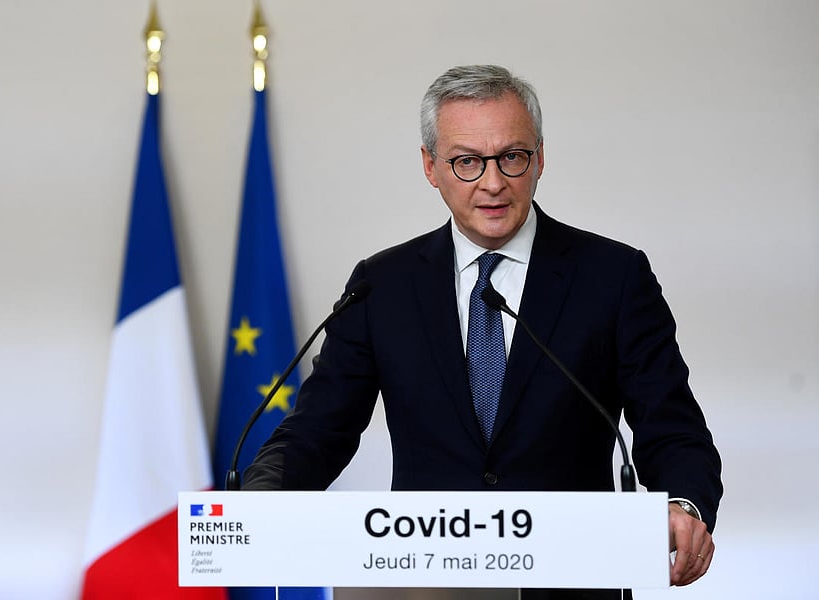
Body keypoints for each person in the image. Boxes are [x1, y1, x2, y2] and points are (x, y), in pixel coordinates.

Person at [244, 65, 722, 599]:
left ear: (539, 158)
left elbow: (672, 426)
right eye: (467, 161)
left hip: (571, 582)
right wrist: (260, 501)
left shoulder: (612, 277)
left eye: (511, 157)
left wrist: (684, 503)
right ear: (430, 166)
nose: (492, 183)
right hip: (428, 584)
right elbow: (318, 430)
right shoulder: (382, 286)